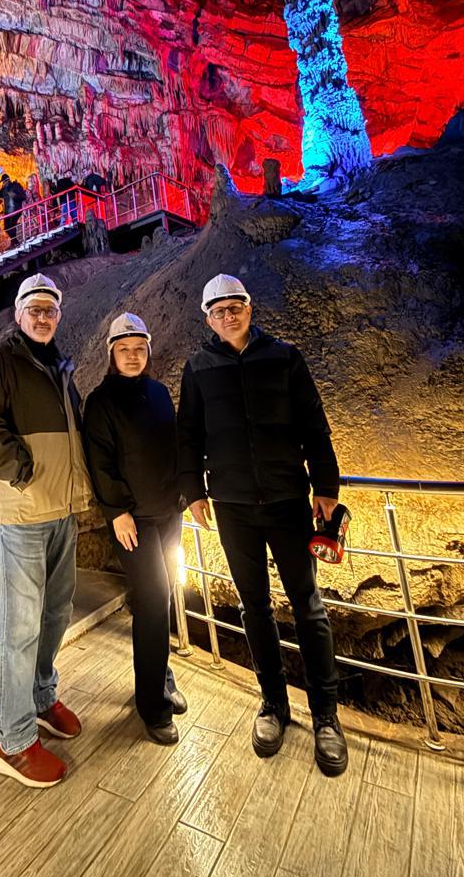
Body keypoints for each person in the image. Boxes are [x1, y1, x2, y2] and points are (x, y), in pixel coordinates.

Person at [176, 274, 349, 776]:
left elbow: (314, 424)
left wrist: (327, 489)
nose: (229, 315)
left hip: (288, 500)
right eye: (219, 309)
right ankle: (273, 704)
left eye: (236, 306)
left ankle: (326, 716)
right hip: (232, 506)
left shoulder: (285, 357)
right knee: (255, 608)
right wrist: (193, 492)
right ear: (207, 317)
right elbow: (187, 434)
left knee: (309, 607)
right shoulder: (198, 368)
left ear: (250, 309)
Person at [0, 272, 94, 788]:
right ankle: (12, 740)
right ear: (18, 315)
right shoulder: (1, 362)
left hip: (60, 509)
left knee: (56, 611)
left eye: (50, 309)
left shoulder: (58, 366)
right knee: (19, 628)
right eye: (34, 309)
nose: (43, 317)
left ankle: (40, 698)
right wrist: (18, 467)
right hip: (22, 511)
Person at [83, 313, 188, 745]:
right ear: (112, 353)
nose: (132, 356)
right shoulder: (101, 401)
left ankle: (159, 672)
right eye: (124, 350)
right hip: (134, 521)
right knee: (152, 599)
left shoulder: (160, 393)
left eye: (139, 348)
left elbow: (174, 446)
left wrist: (186, 493)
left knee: (161, 601)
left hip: (168, 513)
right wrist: (117, 512)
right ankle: (152, 707)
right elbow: (100, 462)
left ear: (148, 350)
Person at [0, 166, 27, 247]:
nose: (3, 184)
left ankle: (15, 242)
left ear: (7, 180)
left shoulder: (16, 186)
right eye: (3, 183)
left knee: (12, 226)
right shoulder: (4, 189)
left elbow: (23, 197)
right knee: (6, 227)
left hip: (16, 210)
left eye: (3, 182)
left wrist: (13, 194)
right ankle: (14, 241)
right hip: (8, 211)